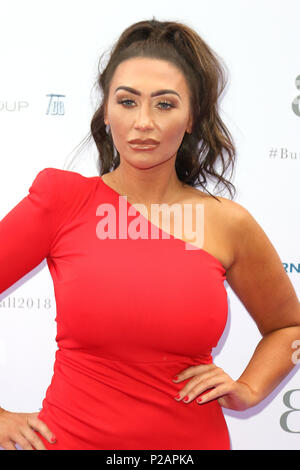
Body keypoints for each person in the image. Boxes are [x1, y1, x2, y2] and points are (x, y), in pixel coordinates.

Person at [0, 17, 299, 451]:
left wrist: (249, 388)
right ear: (106, 110)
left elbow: (288, 326)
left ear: (192, 115)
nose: (143, 122)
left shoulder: (228, 223)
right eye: (127, 101)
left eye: (164, 104)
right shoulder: (62, 201)